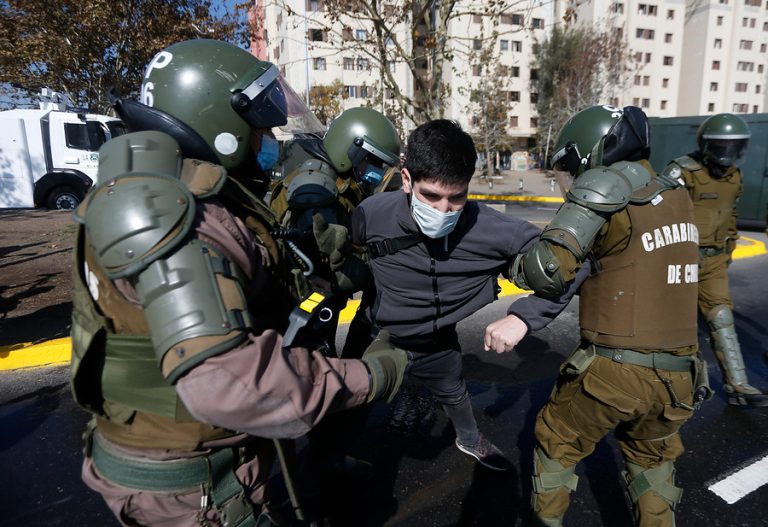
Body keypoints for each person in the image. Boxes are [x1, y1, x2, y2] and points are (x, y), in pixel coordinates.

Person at [69, 39, 407, 527]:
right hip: (190, 485)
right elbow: (227, 382)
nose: (268, 137)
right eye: (259, 126)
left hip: (178, 460)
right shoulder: (174, 217)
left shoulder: (156, 193)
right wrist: (373, 375)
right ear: (219, 123)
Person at [351, 119, 585, 472]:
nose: (443, 210)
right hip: (378, 333)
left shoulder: (492, 229)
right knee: (350, 397)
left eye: (456, 197)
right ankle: (335, 455)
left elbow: (570, 265)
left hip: (436, 341)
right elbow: (349, 257)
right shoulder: (371, 215)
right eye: (430, 196)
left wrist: (524, 316)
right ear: (406, 179)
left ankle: (469, 438)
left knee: (455, 393)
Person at [511, 105, 705, 526]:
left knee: (557, 440)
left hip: (616, 371)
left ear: (590, 154)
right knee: (651, 465)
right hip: (680, 374)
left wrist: (512, 264)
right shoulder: (675, 193)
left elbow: (547, 271)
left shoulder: (605, 185)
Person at [268, 107, 401, 519]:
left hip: (307, 309)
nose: (376, 173)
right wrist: (366, 269)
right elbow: (323, 275)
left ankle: (325, 464)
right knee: (322, 389)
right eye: (372, 162)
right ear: (352, 150)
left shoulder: (328, 175)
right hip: (299, 312)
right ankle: (305, 491)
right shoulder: (316, 189)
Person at [662, 113, 768, 407]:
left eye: (735, 149)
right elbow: (658, 215)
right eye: (722, 148)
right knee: (678, 328)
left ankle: (738, 387)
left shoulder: (734, 176)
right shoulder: (683, 172)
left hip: (714, 262)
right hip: (681, 262)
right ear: (707, 146)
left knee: (721, 318)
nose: (728, 156)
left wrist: (729, 248)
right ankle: (685, 389)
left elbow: (730, 215)